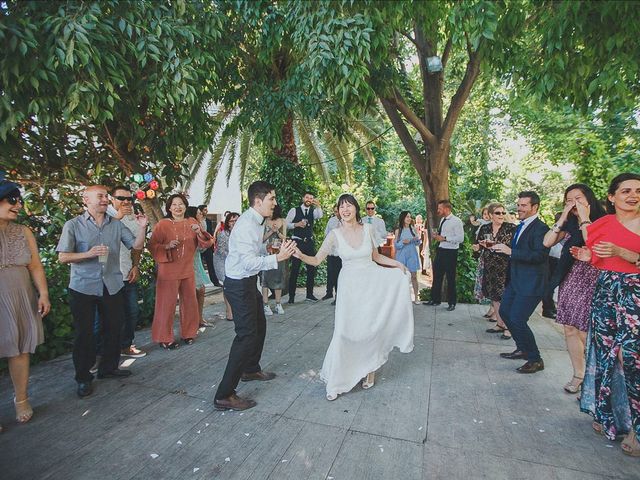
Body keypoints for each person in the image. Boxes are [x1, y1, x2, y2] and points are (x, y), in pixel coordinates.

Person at [293, 194, 414, 401]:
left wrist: (397, 264)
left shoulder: (368, 229)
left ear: (356, 209)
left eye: (349, 205)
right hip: (349, 287)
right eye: (341, 206)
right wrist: (299, 254)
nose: (345, 209)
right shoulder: (334, 234)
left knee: (370, 328)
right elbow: (315, 260)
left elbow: (376, 257)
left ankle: (370, 368)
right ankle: (338, 380)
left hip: (371, 283)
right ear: (338, 211)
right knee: (344, 332)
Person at [572, 172, 640, 456]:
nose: (633, 195)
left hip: (633, 292)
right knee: (605, 353)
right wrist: (590, 258)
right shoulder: (604, 223)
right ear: (612, 197)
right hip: (606, 289)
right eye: (625, 191)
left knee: (630, 356)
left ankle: (636, 429)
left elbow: (624, 255)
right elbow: (599, 255)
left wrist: (622, 252)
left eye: (637, 191)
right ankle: (608, 414)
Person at [57, 185, 147, 397]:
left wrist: (142, 227)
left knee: (114, 328)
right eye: (100, 196)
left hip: (111, 284)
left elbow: (135, 245)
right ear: (86, 200)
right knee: (84, 334)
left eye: (106, 196)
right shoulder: (73, 225)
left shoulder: (115, 225)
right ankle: (83, 378)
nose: (105, 200)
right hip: (83, 287)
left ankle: (109, 368)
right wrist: (87, 254)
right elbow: (63, 257)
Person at [214, 181, 296, 411]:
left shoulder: (258, 222)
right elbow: (247, 261)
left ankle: (250, 370)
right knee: (246, 335)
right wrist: (277, 258)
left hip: (249, 281)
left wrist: (268, 251)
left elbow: (253, 252)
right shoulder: (247, 224)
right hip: (238, 284)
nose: (275, 203)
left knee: (259, 326)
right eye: (272, 199)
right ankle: (224, 394)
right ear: (258, 201)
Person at [543, 184, 605, 394]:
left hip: (593, 279)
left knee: (587, 332)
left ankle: (597, 379)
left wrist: (584, 218)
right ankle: (578, 374)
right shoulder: (568, 223)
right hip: (570, 277)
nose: (574, 203)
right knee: (570, 328)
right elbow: (547, 242)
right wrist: (562, 218)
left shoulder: (602, 220)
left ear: (589, 199)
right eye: (569, 200)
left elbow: (593, 242)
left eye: (578, 198)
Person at [0, 176, 50, 429]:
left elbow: (35, 266)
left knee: (20, 349)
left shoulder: (24, 231)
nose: (18, 205)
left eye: (19, 200)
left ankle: (21, 399)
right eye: (12, 199)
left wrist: (43, 293)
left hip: (20, 293)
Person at [149, 194, 213, 349]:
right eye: (174, 204)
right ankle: (164, 338)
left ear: (185, 206)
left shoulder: (192, 222)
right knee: (166, 305)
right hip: (168, 271)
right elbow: (152, 245)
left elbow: (208, 242)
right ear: (169, 208)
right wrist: (166, 246)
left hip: (187, 269)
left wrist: (199, 232)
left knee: (190, 303)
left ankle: (189, 333)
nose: (177, 207)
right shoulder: (163, 225)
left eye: (181, 204)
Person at [495, 191, 549, 374]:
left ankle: (535, 359)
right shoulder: (521, 226)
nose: (519, 208)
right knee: (504, 312)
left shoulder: (541, 228)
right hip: (516, 280)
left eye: (524, 205)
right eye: (518, 204)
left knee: (518, 318)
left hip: (531, 282)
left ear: (535, 207)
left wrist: (510, 252)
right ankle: (522, 348)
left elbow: (539, 256)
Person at [105, 185, 146, 358]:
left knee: (132, 311)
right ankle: (102, 354)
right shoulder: (103, 217)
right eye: (122, 199)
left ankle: (125, 346)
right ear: (111, 199)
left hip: (127, 272)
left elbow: (136, 248)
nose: (127, 202)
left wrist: (136, 266)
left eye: (130, 199)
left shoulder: (132, 219)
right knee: (106, 318)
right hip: (106, 276)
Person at [473, 203, 516, 340]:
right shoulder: (485, 227)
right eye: (498, 213)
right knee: (494, 297)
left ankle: (509, 328)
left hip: (506, 267)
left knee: (505, 298)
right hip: (490, 266)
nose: (501, 215)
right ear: (491, 215)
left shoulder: (511, 228)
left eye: (503, 213)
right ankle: (499, 324)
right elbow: (479, 244)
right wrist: (478, 247)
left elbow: (516, 247)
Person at [424, 200, 464, 311]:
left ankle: (452, 303)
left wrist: (445, 238)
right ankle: (435, 299)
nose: (438, 210)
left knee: (450, 278)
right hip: (441, 250)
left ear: (446, 209)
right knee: (437, 276)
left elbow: (461, 238)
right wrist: (437, 236)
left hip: (451, 253)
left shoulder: (457, 221)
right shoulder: (442, 220)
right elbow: (442, 236)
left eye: (440, 208)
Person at [286, 191, 323, 303]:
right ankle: (291, 297)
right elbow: (286, 223)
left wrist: (318, 205)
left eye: (311, 198)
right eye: (307, 197)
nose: (309, 200)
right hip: (297, 242)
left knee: (311, 268)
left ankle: (310, 295)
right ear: (303, 198)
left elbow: (320, 215)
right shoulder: (294, 210)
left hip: (309, 243)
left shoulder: (313, 211)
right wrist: (296, 225)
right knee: (295, 270)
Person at [186, 206, 216, 328]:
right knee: (197, 290)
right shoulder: (192, 223)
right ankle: (196, 320)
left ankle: (198, 318)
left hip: (196, 258)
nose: (201, 215)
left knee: (199, 290)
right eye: (198, 213)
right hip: (191, 260)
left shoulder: (198, 224)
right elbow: (199, 244)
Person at [261, 204, 287, 315]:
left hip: (278, 252)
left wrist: (277, 232)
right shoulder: (264, 221)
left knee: (278, 277)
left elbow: (285, 238)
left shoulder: (282, 221)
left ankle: (278, 303)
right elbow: (261, 239)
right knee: (265, 278)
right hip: (266, 252)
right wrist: (271, 231)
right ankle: (265, 304)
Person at [214, 212, 239, 322]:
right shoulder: (223, 234)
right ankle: (229, 311)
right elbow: (222, 251)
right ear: (228, 223)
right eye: (232, 221)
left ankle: (236, 309)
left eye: (236, 220)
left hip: (236, 263)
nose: (234, 223)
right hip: (223, 262)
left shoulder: (243, 233)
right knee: (227, 286)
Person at [394, 211, 422, 304]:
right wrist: (403, 242)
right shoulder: (398, 231)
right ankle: (402, 299)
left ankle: (416, 298)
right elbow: (396, 246)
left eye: (410, 217)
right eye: (407, 217)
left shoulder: (413, 229)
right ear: (403, 218)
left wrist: (417, 239)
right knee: (402, 278)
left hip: (412, 255)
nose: (409, 219)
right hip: (401, 256)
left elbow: (417, 243)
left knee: (414, 276)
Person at [322, 204, 342, 303]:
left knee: (339, 275)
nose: (337, 213)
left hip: (341, 253)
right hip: (331, 252)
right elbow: (326, 233)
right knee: (330, 273)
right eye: (335, 211)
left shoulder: (346, 221)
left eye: (337, 211)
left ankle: (338, 297)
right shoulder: (331, 220)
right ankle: (329, 292)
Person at [198, 204, 221, 287]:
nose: (206, 211)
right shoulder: (196, 221)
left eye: (206, 210)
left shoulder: (208, 221)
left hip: (208, 247)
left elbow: (210, 233)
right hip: (199, 247)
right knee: (199, 266)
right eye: (204, 210)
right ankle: (200, 283)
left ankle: (215, 281)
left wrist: (212, 245)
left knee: (211, 264)